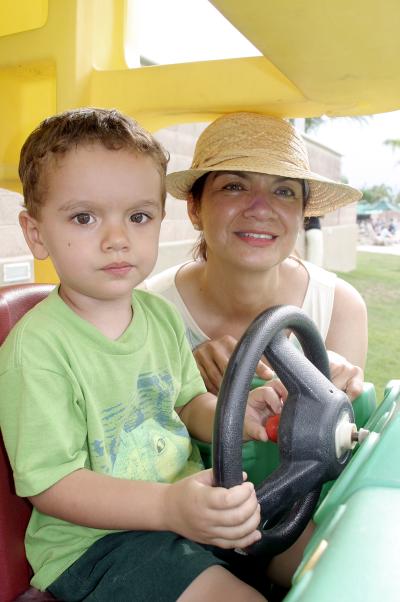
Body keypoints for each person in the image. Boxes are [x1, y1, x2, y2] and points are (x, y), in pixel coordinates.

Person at [0, 108, 288, 601]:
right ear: (35, 233)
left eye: (138, 217)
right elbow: (52, 485)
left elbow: (188, 404)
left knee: (304, 542)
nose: (117, 239)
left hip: (180, 510)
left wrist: (235, 414)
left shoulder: (157, 315)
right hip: (98, 546)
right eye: (84, 217)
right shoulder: (38, 348)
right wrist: (168, 509)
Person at [145, 112, 368, 402]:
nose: (261, 209)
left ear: (302, 215)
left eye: (284, 191)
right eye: (234, 187)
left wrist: (341, 387)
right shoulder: (148, 308)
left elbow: (342, 439)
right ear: (194, 208)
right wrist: (182, 373)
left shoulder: (339, 307)